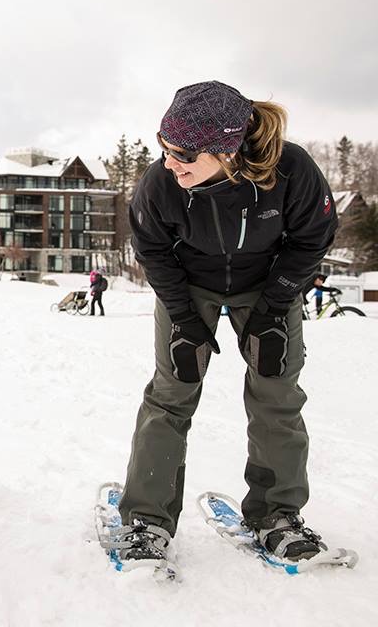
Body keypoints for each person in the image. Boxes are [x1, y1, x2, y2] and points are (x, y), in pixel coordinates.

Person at [118, 81, 338, 564]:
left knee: (276, 390)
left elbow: (313, 238)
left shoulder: (292, 169)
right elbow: (151, 249)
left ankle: (277, 514)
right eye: (164, 148)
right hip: (189, 284)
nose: (170, 163)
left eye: (182, 154)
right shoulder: (160, 183)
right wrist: (182, 317)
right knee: (173, 391)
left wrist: (274, 308)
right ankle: (147, 518)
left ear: (226, 149)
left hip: (267, 283)